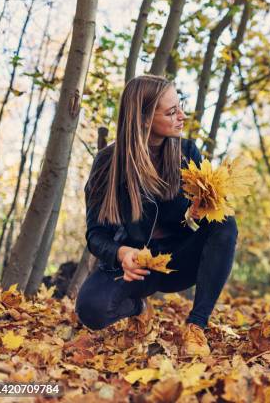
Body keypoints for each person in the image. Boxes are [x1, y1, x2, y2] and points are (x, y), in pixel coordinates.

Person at [75, 75, 237, 356]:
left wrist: (197, 214)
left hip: (180, 262)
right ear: (144, 119)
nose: (182, 116)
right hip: (136, 266)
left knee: (225, 223)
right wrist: (121, 253)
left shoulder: (187, 152)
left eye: (180, 106)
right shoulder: (108, 163)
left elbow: (202, 221)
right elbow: (95, 234)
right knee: (91, 310)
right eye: (171, 111)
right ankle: (139, 308)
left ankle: (196, 326)